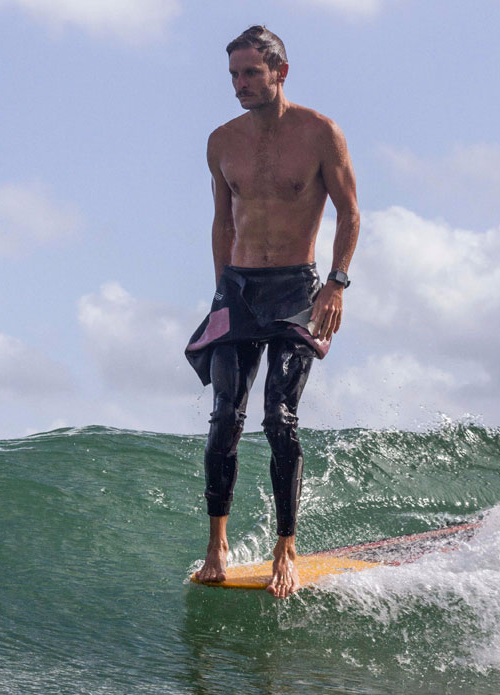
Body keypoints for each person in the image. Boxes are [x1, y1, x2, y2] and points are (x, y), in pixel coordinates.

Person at [185, 25, 359, 598]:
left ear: (280, 72)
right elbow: (222, 222)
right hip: (237, 289)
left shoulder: (319, 133)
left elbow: (350, 214)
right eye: (233, 75)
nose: (239, 84)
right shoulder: (221, 141)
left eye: (250, 73)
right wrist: (219, 296)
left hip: (294, 289)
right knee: (222, 421)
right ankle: (217, 545)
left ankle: (287, 547)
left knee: (277, 418)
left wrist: (334, 285)